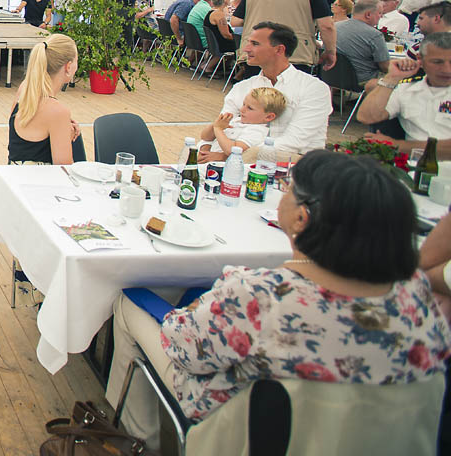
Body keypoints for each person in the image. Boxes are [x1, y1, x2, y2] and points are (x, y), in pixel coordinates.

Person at [105, 149, 450, 449]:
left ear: (302, 217)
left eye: (288, 189)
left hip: (248, 433)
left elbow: (182, 347)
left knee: (130, 302)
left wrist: (196, 308)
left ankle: (138, 440)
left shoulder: (261, 296)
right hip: (375, 442)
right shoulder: (416, 298)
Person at [209, 22, 332, 159]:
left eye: (255, 44)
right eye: (248, 42)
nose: (246, 49)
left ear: (279, 50)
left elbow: (295, 142)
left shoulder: (313, 88)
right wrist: (204, 149)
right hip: (238, 159)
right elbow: (221, 127)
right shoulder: (243, 87)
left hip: (293, 164)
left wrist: (230, 156)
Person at [357, 31, 451, 150]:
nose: (447, 70)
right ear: (420, 60)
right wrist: (391, 78)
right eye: (437, 62)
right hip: (412, 161)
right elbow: (367, 117)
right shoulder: (407, 89)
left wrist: (397, 145)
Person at [7, 35, 81, 165]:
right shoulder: (58, 112)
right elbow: (64, 169)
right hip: (41, 178)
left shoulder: (24, 89)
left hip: (14, 175)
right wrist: (67, 138)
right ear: (68, 67)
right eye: (76, 61)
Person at [198, 86, 284, 159]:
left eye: (250, 108)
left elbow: (232, 151)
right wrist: (215, 125)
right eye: (243, 104)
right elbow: (205, 137)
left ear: (269, 117)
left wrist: (218, 129)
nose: (242, 109)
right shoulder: (237, 120)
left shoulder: (257, 131)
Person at [334, 0, 390, 88]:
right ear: (368, 15)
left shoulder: (335, 27)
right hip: (361, 81)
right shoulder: (374, 35)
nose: (381, 16)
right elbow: (385, 67)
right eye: (379, 13)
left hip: (332, 78)